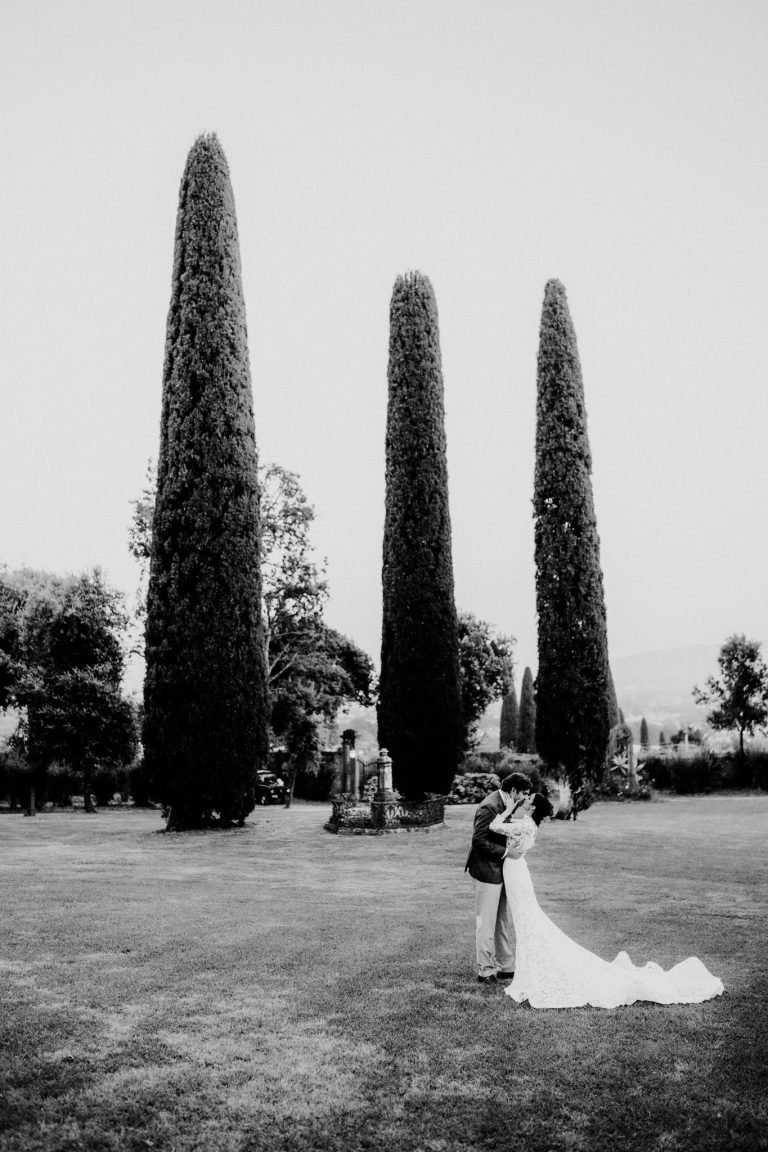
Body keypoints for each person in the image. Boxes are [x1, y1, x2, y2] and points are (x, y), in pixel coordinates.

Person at [488, 793, 725, 1009]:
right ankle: (527, 968)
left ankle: (533, 971)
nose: (524, 799)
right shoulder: (527, 825)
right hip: (517, 871)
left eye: (528, 798)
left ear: (531, 807)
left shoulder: (524, 824)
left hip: (517, 873)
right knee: (525, 920)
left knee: (527, 921)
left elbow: (494, 826)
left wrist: (508, 809)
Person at [465, 771, 532, 984]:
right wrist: (506, 853)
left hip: (505, 871)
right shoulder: (489, 805)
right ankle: (485, 970)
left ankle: (506, 966)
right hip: (486, 870)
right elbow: (479, 841)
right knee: (486, 921)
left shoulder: (509, 803)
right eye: (524, 793)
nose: (525, 798)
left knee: (502, 919)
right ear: (513, 790)